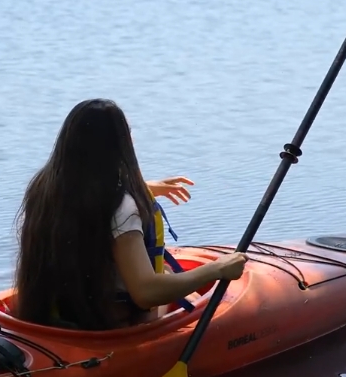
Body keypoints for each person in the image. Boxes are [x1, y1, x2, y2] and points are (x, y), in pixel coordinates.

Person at [14, 98, 248, 330]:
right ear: (119, 145)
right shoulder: (122, 207)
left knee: (166, 271)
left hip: (60, 320)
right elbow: (145, 293)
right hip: (114, 327)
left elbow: (87, 200)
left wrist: (145, 187)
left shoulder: (44, 188)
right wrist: (216, 269)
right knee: (191, 294)